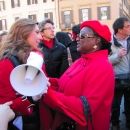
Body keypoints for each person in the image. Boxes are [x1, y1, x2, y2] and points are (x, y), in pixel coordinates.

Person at [39, 20, 115, 130]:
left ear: (97, 41)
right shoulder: (80, 61)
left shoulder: (103, 67)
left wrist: (47, 93)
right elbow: (61, 84)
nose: (77, 38)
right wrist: (42, 81)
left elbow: (84, 107)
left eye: (83, 36)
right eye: (78, 35)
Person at [0, 18, 49, 130]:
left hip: (34, 119)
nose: (41, 37)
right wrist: (30, 98)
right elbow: (5, 106)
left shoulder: (32, 57)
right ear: (23, 33)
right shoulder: (6, 62)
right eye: (37, 32)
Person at [109, 17, 130, 130]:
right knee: (116, 104)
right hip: (117, 78)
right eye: (127, 26)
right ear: (120, 30)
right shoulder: (109, 43)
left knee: (129, 104)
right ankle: (115, 124)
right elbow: (105, 61)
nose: (129, 28)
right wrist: (117, 56)